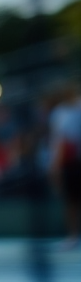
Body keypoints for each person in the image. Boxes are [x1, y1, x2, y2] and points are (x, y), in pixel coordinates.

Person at [48, 85, 81, 249]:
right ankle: (73, 236)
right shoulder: (59, 113)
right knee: (70, 201)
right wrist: (55, 165)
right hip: (68, 163)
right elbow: (58, 140)